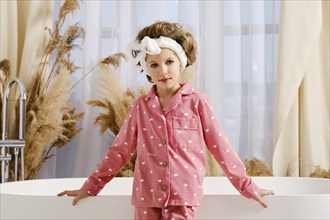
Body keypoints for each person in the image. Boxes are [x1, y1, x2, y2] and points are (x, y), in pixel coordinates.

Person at [58, 21, 274, 220]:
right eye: (153, 65)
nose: (162, 70)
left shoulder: (197, 102)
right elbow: (120, 150)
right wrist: (91, 186)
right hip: (146, 196)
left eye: (169, 62)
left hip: (184, 195)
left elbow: (220, 147)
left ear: (181, 63)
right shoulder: (140, 107)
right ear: (146, 70)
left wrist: (247, 186)